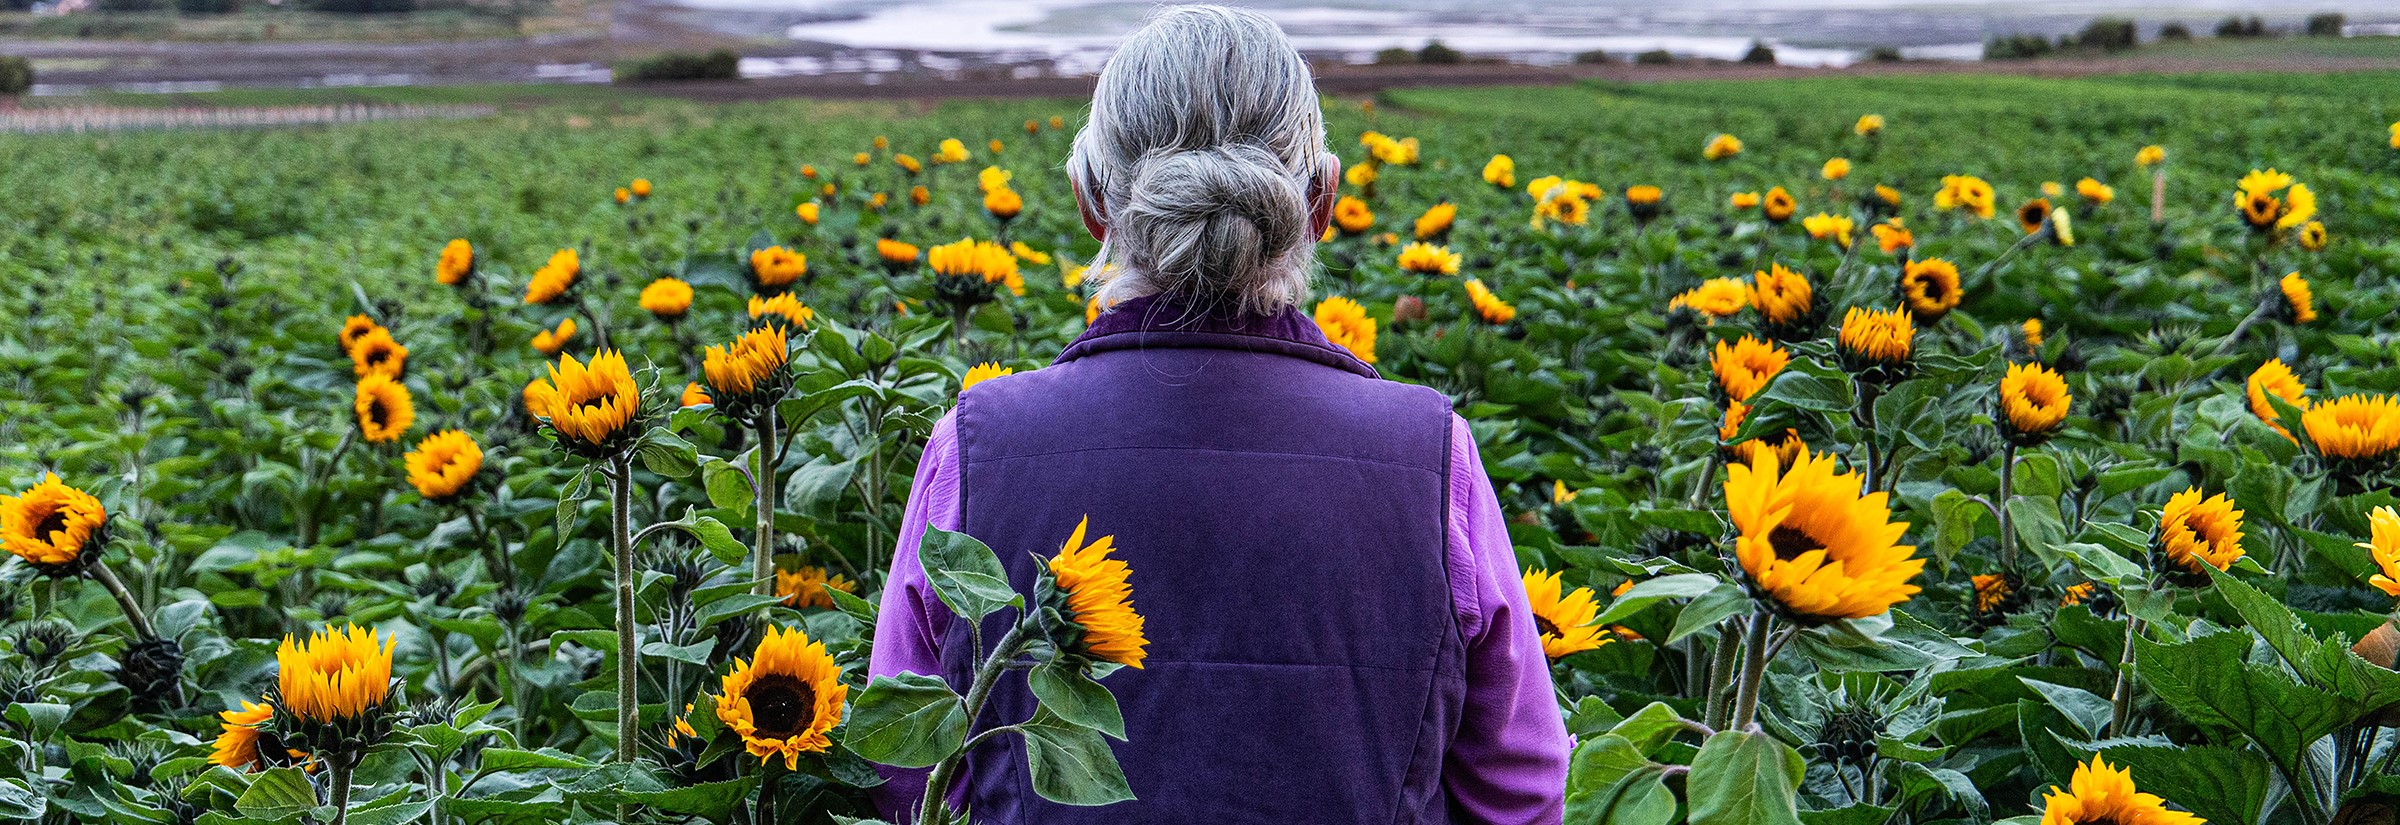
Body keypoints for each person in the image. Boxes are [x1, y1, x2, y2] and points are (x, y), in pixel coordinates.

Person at [868, 6, 1568, 822]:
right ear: (1321, 201)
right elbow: (1521, 789)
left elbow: (902, 769)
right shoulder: (1432, 456)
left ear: (1091, 201)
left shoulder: (977, 446)